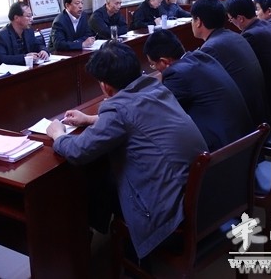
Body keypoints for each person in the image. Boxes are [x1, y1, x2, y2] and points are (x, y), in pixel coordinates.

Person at [46, 42, 207, 261]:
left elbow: (78, 151)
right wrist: (91, 119)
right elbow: (136, 120)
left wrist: (58, 134)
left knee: (94, 177)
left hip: (171, 216)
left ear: (105, 86)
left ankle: (90, 248)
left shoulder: (118, 109)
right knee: (104, 172)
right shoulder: (156, 88)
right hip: (202, 199)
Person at [143, 30, 253, 151]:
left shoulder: (177, 74)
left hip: (225, 150)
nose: (155, 69)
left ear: (164, 61)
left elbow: (160, 112)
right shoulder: (201, 56)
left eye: (153, 64)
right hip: (246, 139)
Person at [190, 0, 269, 125]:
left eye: (192, 19)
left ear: (198, 21)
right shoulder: (234, 36)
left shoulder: (211, 48)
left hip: (246, 122)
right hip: (260, 111)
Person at [225, 0, 271, 120]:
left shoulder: (250, 36)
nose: (231, 22)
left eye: (231, 19)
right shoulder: (268, 25)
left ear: (240, 18)